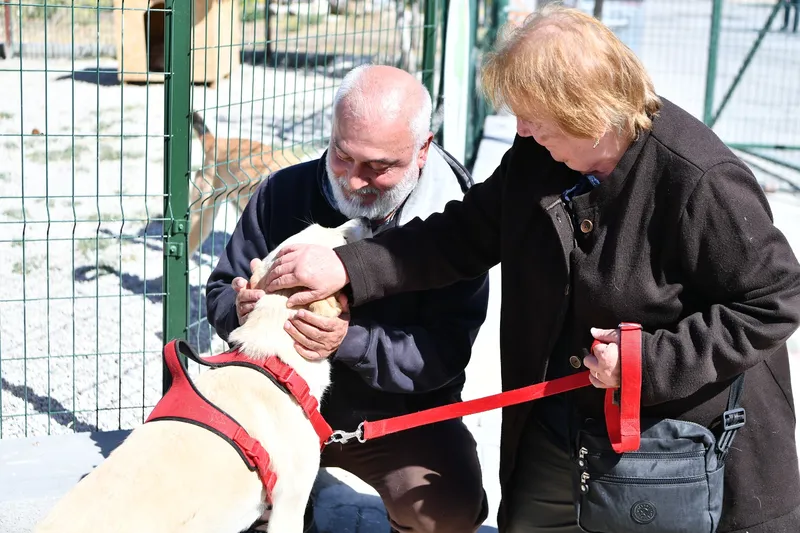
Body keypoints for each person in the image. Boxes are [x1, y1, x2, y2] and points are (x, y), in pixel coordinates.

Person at [262, 6, 800, 533]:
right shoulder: (538, 155)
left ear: (585, 110)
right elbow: (462, 235)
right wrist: (348, 266)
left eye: (534, 115)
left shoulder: (699, 178)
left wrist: (647, 361)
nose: (519, 127)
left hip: (673, 445)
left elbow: (776, 300)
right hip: (557, 416)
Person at [205, 64, 490, 533]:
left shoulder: (455, 223)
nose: (354, 180)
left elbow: (442, 356)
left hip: (393, 418)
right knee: (225, 492)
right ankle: (288, 503)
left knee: (444, 508)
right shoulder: (285, 191)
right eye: (342, 155)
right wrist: (237, 309)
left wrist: (347, 340)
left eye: (378, 167)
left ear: (423, 150)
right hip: (278, 406)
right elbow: (220, 287)